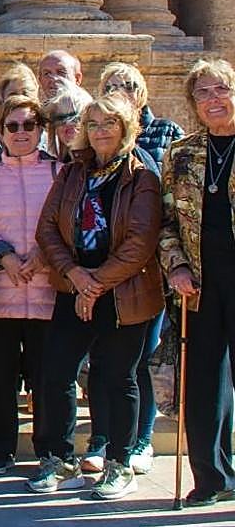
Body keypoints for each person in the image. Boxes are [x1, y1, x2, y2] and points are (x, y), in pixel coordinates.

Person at [29, 95, 163, 501]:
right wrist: (74, 275)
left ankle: (119, 464)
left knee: (117, 377)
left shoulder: (141, 176)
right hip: (74, 284)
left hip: (123, 291)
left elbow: (140, 243)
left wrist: (95, 284)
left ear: (126, 127)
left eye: (109, 123)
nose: (101, 131)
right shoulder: (73, 173)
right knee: (56, 372)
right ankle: (61, 460)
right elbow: (47, 229)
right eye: (93, 124)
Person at [82, 61, 183, 476]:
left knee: (139, 359)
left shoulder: (165, 135)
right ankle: (101, 438)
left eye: (127, 84)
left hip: (146, 269)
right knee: (102, 360)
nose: (119, 90)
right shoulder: (92, 150)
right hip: (99, 270)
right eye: (110, 85)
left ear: (141, 93)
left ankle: (141, 440)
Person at [0, 95, 58, 475]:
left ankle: (47, 450)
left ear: (41, 130)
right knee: (1, 380)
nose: (21, 133)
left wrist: (43, 254)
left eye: (29, 125)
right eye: (12, 126)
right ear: (1, 131)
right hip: (1, 292)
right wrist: (3, 256)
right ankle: (1, 450)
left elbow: (65, 220)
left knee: (47, 380)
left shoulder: (59, 172)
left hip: (46, 292)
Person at [159, 58, 235, 506]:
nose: (213, 99)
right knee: (203, 383)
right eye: (202, 93)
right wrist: (176, 266)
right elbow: (166, 221)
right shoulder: (181, 153)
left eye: (221, 89)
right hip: (200, 282)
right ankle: (212, 477)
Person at [42, 84, 92, 163]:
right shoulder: (59, 166)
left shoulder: (100, 162)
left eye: (76, 119)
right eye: (60, 119)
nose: (68, 124)